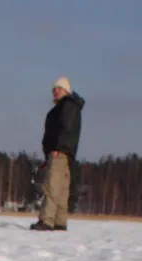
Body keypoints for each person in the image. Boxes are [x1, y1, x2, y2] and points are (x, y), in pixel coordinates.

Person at [31, 77, 84, 232]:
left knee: (52, 186)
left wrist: (56, 148)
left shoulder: (67, 106)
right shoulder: (70, 106)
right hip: (67, 154)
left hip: (60, 153)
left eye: (58, 88)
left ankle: (47, 220)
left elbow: (64, 128)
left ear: (66, 90)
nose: (55, 91)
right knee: (61, 189)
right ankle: (60, 222)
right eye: (53, 89)